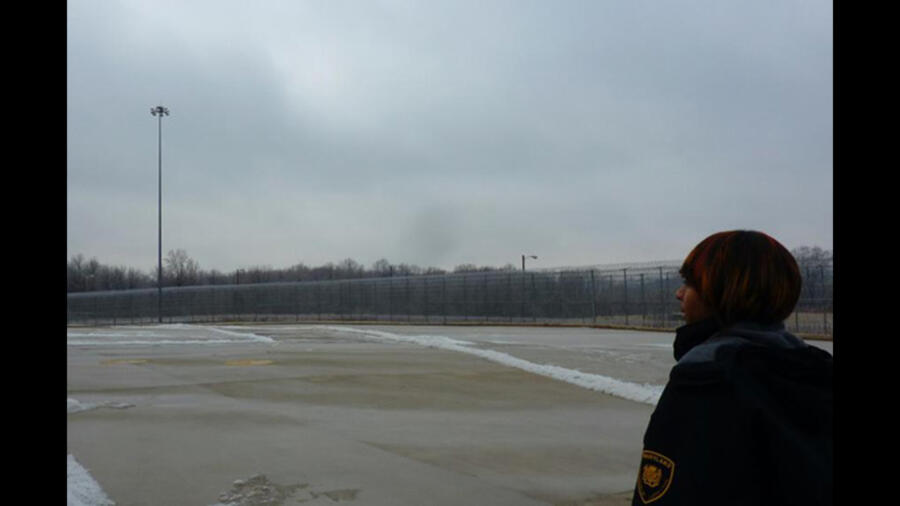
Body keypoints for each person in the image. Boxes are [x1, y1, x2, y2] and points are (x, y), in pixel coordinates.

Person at [632, 230, 832, 505]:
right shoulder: (814, 372)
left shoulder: (704, 379)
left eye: (690, 284)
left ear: (721, 293)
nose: (679, 294)